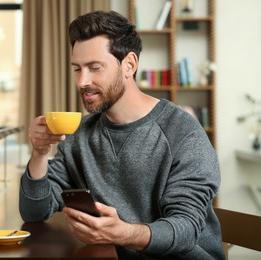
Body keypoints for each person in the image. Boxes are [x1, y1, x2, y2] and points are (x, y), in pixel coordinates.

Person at [19, 10, 225, 260]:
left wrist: (122, 233)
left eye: (95, 68)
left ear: (129, 65)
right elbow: (34, 212)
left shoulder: (183, 133)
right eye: (77, 69)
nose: (83, 81)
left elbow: (186, 229)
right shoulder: (80, 135)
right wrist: (39, 153)